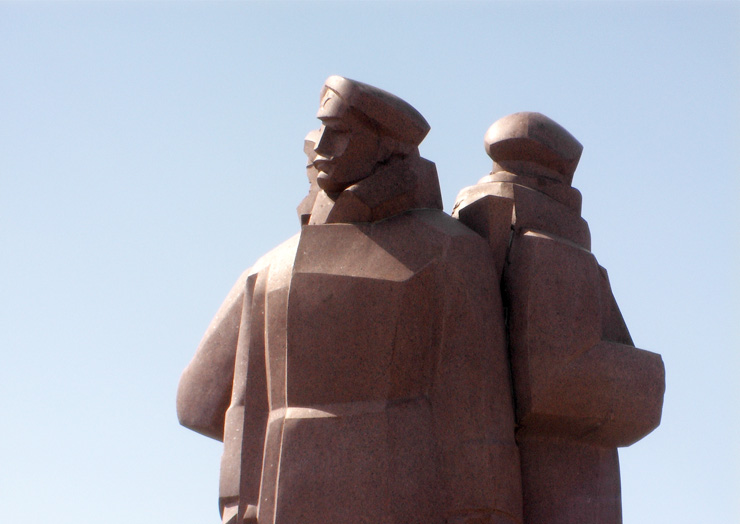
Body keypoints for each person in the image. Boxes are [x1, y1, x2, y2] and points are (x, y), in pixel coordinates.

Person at [178, 76, 523, 524]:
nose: (321, 145)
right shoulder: (449, 249)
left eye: (338, 132)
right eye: (320, 130)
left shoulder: (444, 251)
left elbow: (200, 404)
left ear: (388, 147)